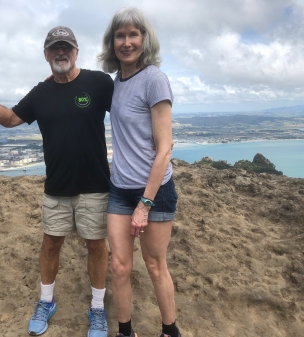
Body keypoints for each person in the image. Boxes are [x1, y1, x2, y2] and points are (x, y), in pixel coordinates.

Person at [0, 26, 113, 337]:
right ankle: (46, 302)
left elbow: (129, 107)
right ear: (46, 55)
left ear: (76, 52)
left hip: (95, 184)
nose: (61, 52)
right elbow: (9, 119)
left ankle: (97, 308)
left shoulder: (99, 83)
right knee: (50, 245)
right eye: (54, 48)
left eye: (66, 47)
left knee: (97, 246)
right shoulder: (41, 93)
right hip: (57, 186)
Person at [98, 8, 181, 337]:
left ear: (145, 40)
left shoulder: (154, 80)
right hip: (119, 189)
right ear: (112, 43)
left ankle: (169, 331)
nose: (127, 41)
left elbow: (164, 148)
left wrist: (144, 204)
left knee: (154, 265)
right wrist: (56, 80)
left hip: (154, 191)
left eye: (134, 34)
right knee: (118, 266)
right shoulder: (114, 84)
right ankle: (125, 331)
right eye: (120, 36)